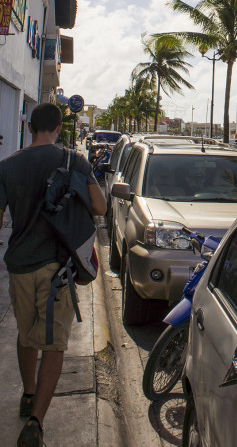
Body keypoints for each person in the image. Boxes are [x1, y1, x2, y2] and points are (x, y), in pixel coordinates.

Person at [0, 103, 106, 447]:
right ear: (59, 127)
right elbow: (101, 206)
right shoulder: (75, 161)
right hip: (57, 268)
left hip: (19, 265)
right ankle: (35, 422)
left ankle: (28, 393)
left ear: (30, 127)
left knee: (25, 332)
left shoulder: (7, 165)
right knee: (54, 343)